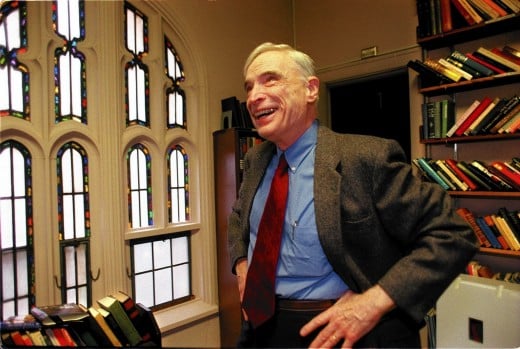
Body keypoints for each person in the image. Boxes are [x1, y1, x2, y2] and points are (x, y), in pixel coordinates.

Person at [227, 42, 478, 348]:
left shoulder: (367, 158)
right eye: (249, 87)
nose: (254, 96)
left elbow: (452, 234)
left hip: (342, 333)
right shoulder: (255, 161)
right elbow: (240, 218)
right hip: (259, 328)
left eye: (270, 79)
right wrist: (242, 264)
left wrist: (374, 302)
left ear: (311, 90)